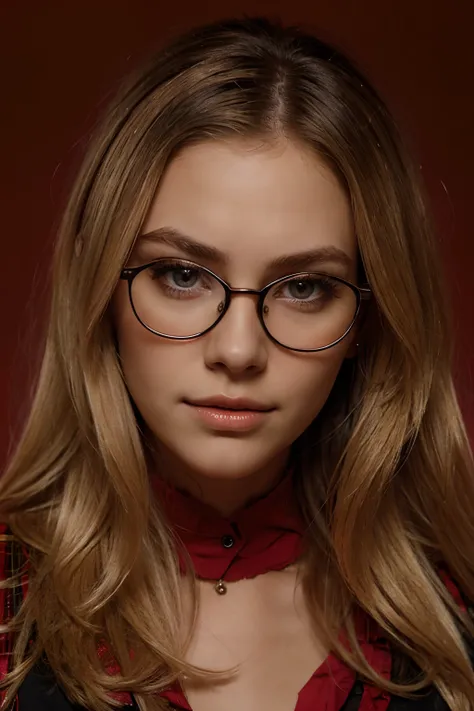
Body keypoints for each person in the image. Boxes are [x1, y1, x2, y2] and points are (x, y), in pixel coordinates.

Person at [1, 15, 473, 711]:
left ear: (367, 322)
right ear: (100, 286)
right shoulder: (7, 603)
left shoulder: (455, 609)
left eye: (304, 286)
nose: (239, 350)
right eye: (183, 275)